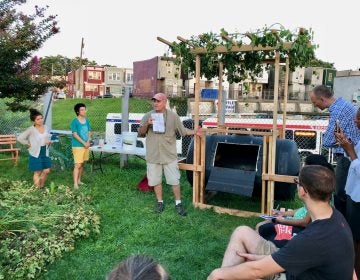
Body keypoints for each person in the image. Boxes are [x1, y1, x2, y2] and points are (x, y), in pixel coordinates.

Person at [207, 165, 354, 280]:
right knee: (242, 232)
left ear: (303, 191)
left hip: (291, 275)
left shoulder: (311, 239)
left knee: (237, 275)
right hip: (299, 266)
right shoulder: (337, 218)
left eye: (297, 182)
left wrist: (217, 274)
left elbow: (256, 271)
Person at [138, 92, 203, 216]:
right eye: (154, 101)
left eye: (158, 101)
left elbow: (183, 132)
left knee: (174, 180)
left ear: (165, 102)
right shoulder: (148, 116)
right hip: (153, 155)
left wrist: (195, 132)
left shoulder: (173, 117)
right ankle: (160, 202)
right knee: (156, 180)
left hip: (169, 155)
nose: (155, 103)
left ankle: (178, 203)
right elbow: (140, 133)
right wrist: (148, 124)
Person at [310, 85, 360, 215]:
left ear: (322, 99)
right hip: (352, 155)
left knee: (340, 194)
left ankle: (341, 224)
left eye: (315, 102)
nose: (315, 106)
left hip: (349, 157)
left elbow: (328, 140)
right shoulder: (342, 105)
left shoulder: (338, 110)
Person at [335, 107, 360, 277]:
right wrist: (346, 146)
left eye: (359, 119)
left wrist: (350, 151)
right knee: (352, 235)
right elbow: (355, 159)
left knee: (357, 240)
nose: (355, 121)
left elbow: (356, 162)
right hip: (353, 194)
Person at [18, 109, 52, 188]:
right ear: (34, 121)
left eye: (41, 118)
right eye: (38, 119)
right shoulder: (31, 129)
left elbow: (46, 138)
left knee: (46, 170)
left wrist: (48, 141)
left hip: (45, 151)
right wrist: (27, 143)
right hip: (36, 153)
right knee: (38, 172)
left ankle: (42, 186)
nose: (40, 120)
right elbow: (20, 138)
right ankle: (38, 188)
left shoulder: (46, 127)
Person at [70, 103, 91, 189]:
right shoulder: (74, 121)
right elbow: (75, 134)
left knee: (82, 164)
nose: (84, 111)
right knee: (77, 165)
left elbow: (89, 132)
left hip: (86, 145)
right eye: (82, 110)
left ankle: (79, 180)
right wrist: (84, 143)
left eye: (84, 109)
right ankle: (75, 184)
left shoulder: (87, 120)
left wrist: (88, 142)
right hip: (78, 145)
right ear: (78, 112)